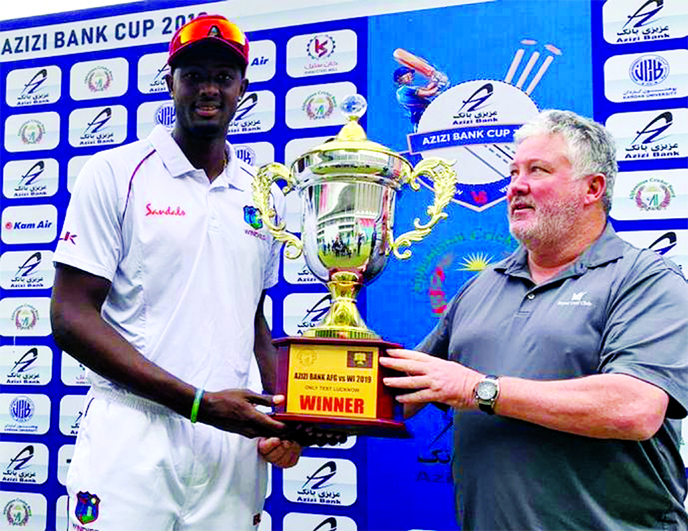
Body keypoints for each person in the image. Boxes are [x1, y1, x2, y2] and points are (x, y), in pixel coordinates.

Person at [51, 15, 308, 530]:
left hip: (230, 441)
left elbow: (251, 318)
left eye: (223, 75)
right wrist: (197, 403)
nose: (208, 88)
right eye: (193, 75)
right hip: (133, 432)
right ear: (170, 82)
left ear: (244, 87)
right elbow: (70, 313)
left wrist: (283, 416)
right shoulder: (116, 173)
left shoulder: (263, 194)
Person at [380, 110, 688, 529]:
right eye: (513, 172)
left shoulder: (645, 279)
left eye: (537, 170)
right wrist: (300, 421)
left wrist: (479, 390)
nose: (515, 186)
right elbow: (405, 387)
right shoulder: (485, 284)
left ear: (592, 188)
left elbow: (634, 408)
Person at [394, 65, 444, 131]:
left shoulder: (407, 89)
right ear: (400, 79)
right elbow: (428, 93)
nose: (410, 78)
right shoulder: (405, 89)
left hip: (420, 113)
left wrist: (435, 81)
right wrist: (440, 86)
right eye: (407, 77)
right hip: (421, 113)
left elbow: (427, 89)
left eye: (411, 76)